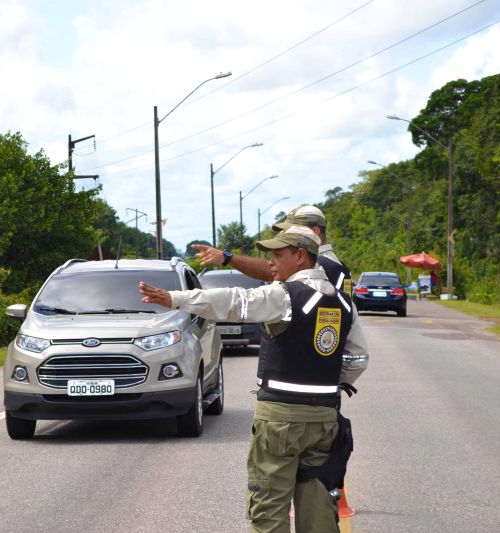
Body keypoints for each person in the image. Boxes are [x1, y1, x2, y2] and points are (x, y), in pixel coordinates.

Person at [140, 226, 369, 532]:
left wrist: (175, 298)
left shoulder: (284, 296)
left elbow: (235, 302)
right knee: (319, 513)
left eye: (277, 255)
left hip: (279, 421)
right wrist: (324, 379)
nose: (271, 263)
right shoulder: (343, 303)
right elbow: (357, 359)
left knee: (269, 511)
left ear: (301, 256)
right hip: (325, 419)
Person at [192, 204, 353, 295]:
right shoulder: (333, 263)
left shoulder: (322, 265)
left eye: (293, 229)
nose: (286, 234)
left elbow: (270, 271)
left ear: (316, 232)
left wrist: (228, 258)